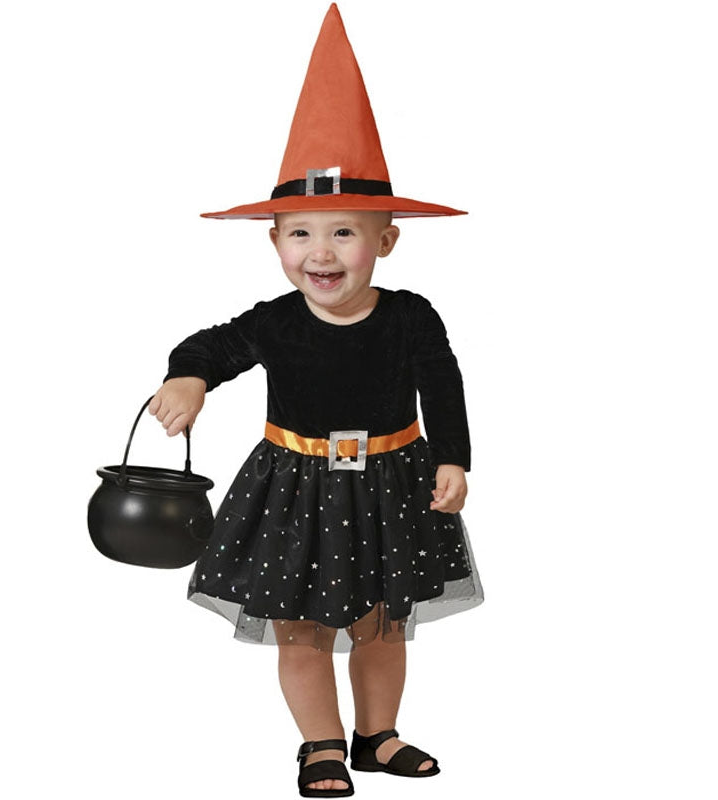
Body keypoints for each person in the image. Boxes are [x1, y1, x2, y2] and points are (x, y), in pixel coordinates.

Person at [148, 5, 484, 797]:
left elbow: (444, 385)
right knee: (300, 628)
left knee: (382, 622)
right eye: (300, 233)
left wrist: (454, 458)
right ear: (275, 242)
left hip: (393, 484)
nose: (321, 252)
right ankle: (321, 745)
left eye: (344, 232)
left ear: (386, 240)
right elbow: (210, 348)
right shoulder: (274, 322)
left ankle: (378, 735)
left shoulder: (411, 316)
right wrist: (188, 376)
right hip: (294, 490)